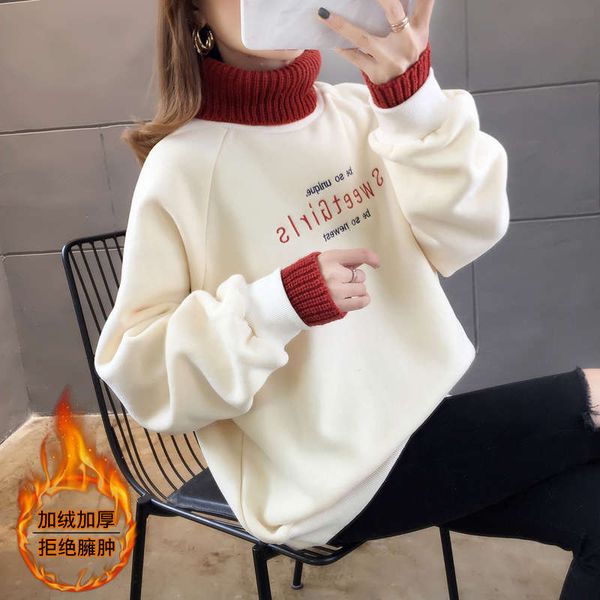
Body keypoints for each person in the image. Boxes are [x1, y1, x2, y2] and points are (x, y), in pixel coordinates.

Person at [93, 0, 600, 596]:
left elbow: (467, 231)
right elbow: (142, 372)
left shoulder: (365, 113)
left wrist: (412, 98)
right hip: (322, 475)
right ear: (195, 13)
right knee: (593, 396)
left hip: (421, 420)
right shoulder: (182, 167)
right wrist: (278, 303)